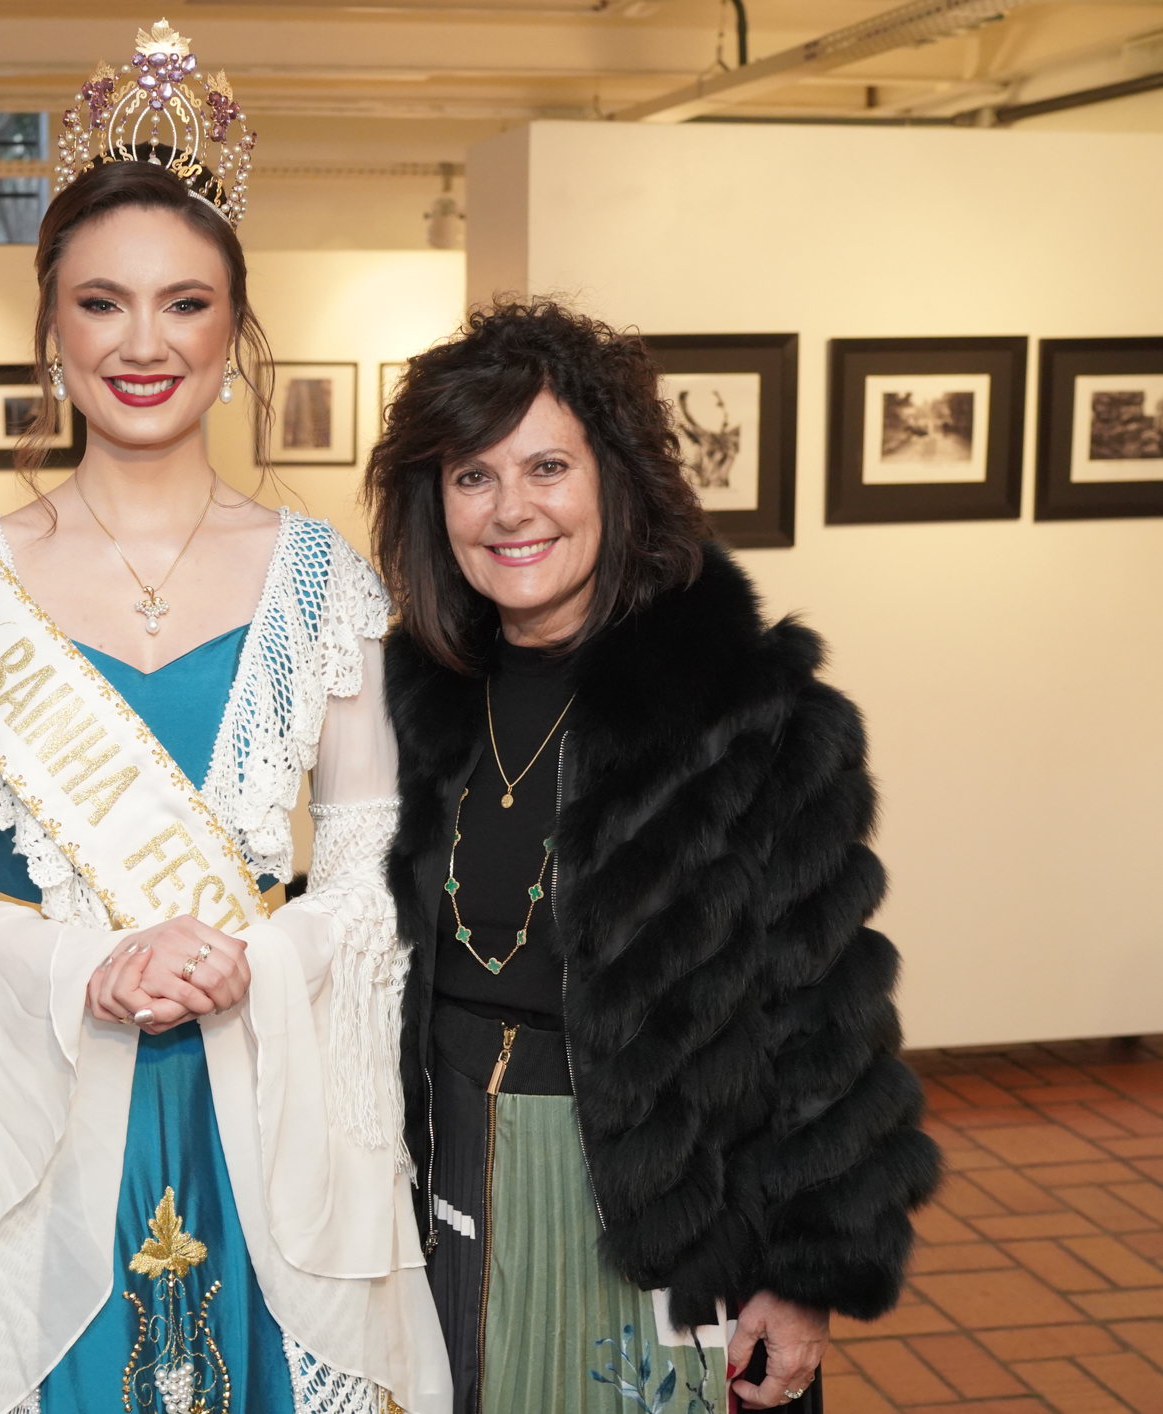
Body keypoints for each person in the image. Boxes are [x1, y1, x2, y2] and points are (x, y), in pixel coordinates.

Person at [0, 22, 449, 1414]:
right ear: (50, 328)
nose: (144, 343)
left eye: (185, 304)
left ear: (236, 332)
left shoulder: (325, 583)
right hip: (34, 1106)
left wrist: (252, 962)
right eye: (101, 303)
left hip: (260, 1101)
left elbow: (382, 864)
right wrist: (81, 964)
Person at [365, 299, 942, 1413]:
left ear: (615, 479)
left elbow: (825, 1013)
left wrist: (805, 1270)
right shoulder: (406, 700)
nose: (511, 509)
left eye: (547, 467)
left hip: (658, 1216)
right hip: (434, 1192)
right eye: (472, 476)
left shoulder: (745, 708)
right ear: (435, 504)